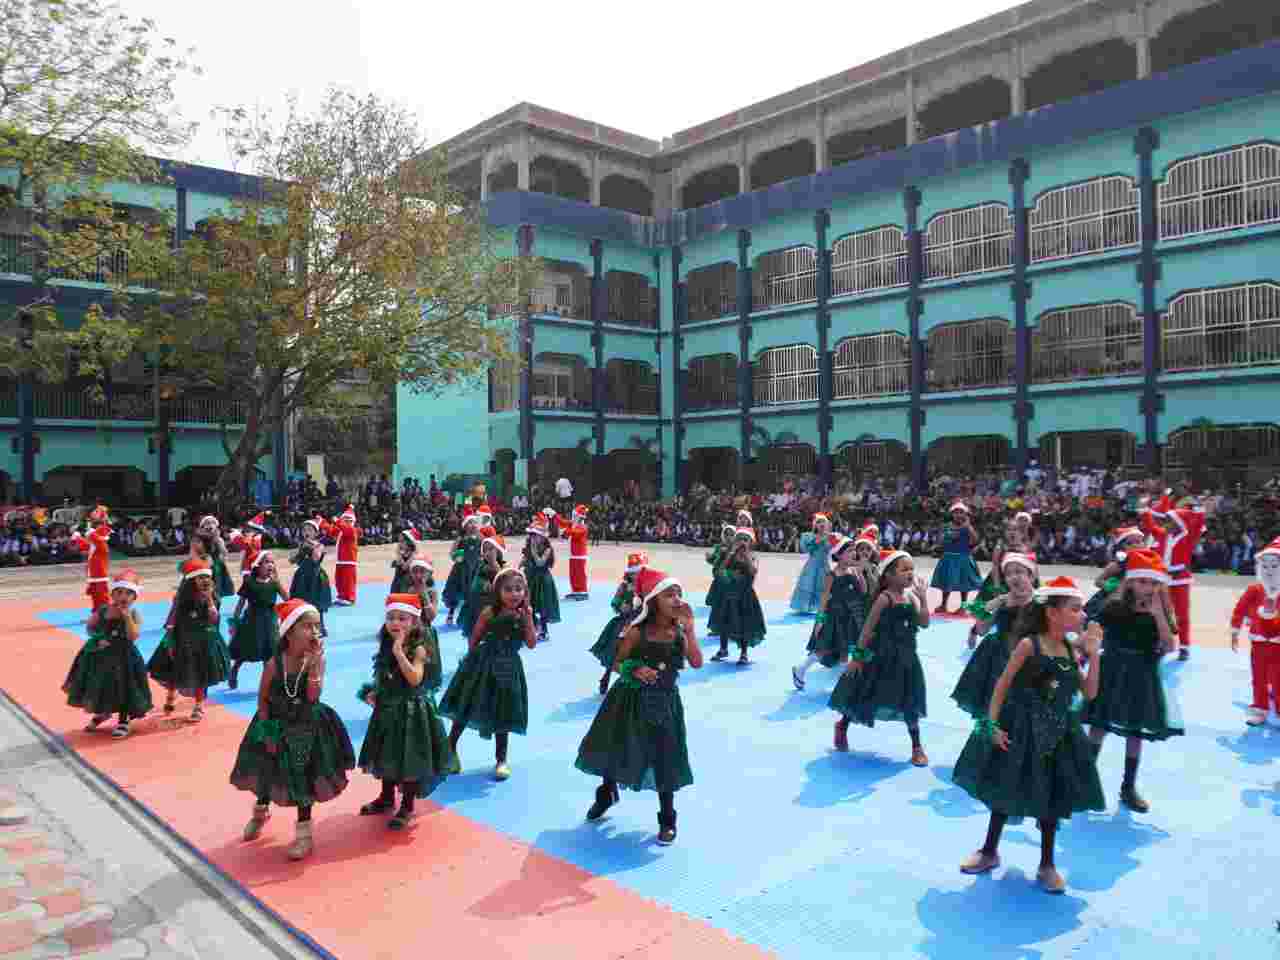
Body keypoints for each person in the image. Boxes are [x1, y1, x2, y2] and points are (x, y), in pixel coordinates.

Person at [952, 576, 1105, 894]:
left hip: (1058, 732)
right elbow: (1001, 686)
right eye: (1075, 608)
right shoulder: (1028, 645)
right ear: (1052, 612)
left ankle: (1047, 864)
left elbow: (1090, 693)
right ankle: (989, 851)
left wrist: (1094, 655)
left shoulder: (1069, 648)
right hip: (1021, 729)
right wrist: (992, 725)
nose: (1082, 615)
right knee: (1006, 787)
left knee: (1051, 797)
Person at [575, 567, 702, 845]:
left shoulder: (679, 633)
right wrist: (635, 669)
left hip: (665, 703)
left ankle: (667, 819)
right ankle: (607, 793)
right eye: (669, 594)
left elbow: (696, 662)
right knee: (616, 748)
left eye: (679, 594)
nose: (677, 599)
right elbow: (617, 663)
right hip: (628, 700)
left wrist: (691, 631)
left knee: (665, 756)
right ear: (653, 600)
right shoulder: (636, 631)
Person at [230, 598, 355, 859]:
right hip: (275, 723)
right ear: (289, 631)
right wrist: (267, 731)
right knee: (267, 771)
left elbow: (312, 696)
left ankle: (304, 835)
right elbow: (263, 699)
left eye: (317, 626)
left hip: (306, 726)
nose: (315, 632)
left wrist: (315, 664)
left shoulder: (316, 659)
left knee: (303, 778)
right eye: (308, 626)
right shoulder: (274, 663)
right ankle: (260, 812)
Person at [1086, 549, 1182, 812]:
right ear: (1130, 582)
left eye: (1152, 582)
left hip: (1142, 675)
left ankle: (1128, 787)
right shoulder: (1115, 606)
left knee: (1135, 732)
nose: (1147, 587)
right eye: (1141, 581)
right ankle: (1085, 778)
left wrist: (1158, 614)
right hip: (1112, 671)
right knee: (1099, 725)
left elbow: (1169, 646)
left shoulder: (1160, 608)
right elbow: (1094, 628)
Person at [357, 594, 454, 829]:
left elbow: (414, 678)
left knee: (410, 759)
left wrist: (400, 653)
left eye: (402, 618)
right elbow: (385, 674)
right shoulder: (386, 646)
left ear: (414, 622)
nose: (395, 623)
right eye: (391, 617)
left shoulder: (418, 648)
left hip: (412, 713)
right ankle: (386, 797)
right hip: (388, 709)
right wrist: (376, 692)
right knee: (387, 755)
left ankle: (407, 806)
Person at [829, 548, 931, 765]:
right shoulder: (884, 598)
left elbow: (924, 623)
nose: (910, 573)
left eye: (911, 569)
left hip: (906, 659)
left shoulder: (911, 597)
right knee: (865, 694)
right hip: (879, 657)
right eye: (904, 569)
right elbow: (867, 630)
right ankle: (843, 725)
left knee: (909, 699)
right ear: (889, 575)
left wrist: (923, 599)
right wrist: (857, 657)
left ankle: (916, 746)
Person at [440, 567, 538, 780]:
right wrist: (474, 665)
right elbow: (474, 640)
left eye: (519, 589)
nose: (514, 594)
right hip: (483, 665)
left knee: (504, 712)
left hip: (509, 669)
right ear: (498, 591)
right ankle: (450, 748)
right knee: (467, 705)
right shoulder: (489, 612)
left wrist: (529, 617)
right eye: (508, 589)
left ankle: (501, 760)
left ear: (525, 591)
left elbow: (531, 643)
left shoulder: (524, 614)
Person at [62, 568, 151, 739]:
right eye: (119, 592)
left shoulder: (134, 613)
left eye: (128, 593)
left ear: (135, 597)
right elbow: (90, 628)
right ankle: (104, 712)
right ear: (112, 594)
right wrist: (98, 638)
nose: (123, 596)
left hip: (125, 657)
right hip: (102, 656)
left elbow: (133, 636)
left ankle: (124, 720)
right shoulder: (103, 610)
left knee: (125, 686)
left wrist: (126, 617)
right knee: (103, 684)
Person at [951, 553, 1037, 717]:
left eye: (1019, 572)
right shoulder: (1002, 601)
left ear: (1031, 576)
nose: (1013, 577)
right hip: (998, 657)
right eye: (1008, 574)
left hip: (1026, 658)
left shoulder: (1041, 602)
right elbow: (983, 629)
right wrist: (983, 615)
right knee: (993, 705)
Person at [147, 558, 232, 723]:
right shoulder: (182, 598)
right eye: (201, 577)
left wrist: (209, 599)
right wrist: (170, 639)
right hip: (182, 639)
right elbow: (172, 618)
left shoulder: (213, 597)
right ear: (192, 580)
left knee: (201, 674)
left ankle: (198, 706)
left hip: (204, 642)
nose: (205, 580)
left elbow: (214, 619)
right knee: (174, 670)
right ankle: (171, 694)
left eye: (207, 577)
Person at [792, 535, 873, 690]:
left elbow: (863, 591)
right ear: (839, 555)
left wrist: (861, 573)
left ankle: (842, 684)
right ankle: (800, 669)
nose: (854, 554)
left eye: (853, 551)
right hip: (833, 618)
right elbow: (824, 599)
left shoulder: (854, 571)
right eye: (849, 551)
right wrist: (820, 621)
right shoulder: (832, 575)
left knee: (845, 651)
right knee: (823, 649)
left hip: (849, 618)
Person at [1140, 491, 1205, 660]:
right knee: (1160, 613)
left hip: (1181, 580)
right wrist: (1145, 508)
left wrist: (1199, 507)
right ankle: (1162, 643)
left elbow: (1199, 524)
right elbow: (1150, 525)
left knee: (1182, 615)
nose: (1166, 522)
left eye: (1170, 520)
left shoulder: (1188, 537)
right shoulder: (1161, 534)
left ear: (1178, 522)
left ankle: (1184, 647)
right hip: (1163, 580)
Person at [1231, 536, 1280, 726]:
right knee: (1259, 677)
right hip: (1258, 642)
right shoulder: (1255, 589)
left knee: (1278, 679)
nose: (1269, 570)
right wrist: (1235, 630)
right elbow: (1240, 608)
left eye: (1274, 566)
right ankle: (1260, 709)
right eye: (1265, 566)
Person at [228, 551, 288, 690]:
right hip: (252, 621)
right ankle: (234, 670)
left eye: (272, 562)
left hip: (270, 622)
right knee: (245, 651)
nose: (270, 565)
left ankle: (267, 683)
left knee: (269, 653)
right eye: (267, 562)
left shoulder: (275, 583)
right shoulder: (249, 582)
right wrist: (234, 622)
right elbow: (240, 604)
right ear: (258, 565)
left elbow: (287, 599)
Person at [590, 552, 647, 696]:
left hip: (641, 621)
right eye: (634, 573)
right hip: (624, 622)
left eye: (639, 572)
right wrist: (621, 606)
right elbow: (615, 601)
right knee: (614, 649)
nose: (636, 575)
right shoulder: (624, 586)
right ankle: (607, 675)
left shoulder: (647, 587)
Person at [712, 527, 766, 665]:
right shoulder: (729, 554)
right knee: (725, 621)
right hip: (729, 593)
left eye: (745, 539)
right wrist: (730, 554)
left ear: (751, 542)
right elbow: (720, 570)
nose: (742, 541)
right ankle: (723, 649)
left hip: (745, 596)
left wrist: (746, 556)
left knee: (744, 624)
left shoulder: (752, 557)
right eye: (739, 538)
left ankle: (744, 653)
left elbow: (753, 571)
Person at [930, 502, 983, 614]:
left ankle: (963, 607)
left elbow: (975, 540)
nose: (958, 515)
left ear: (965, 514)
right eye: (956, 512)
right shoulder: (947, 527)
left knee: (964, 585)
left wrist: (968, 528)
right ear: (952, 514)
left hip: (963, 558)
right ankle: (943, 605)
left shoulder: (968, 527)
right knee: (946, 583)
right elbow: (942, 540)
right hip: (948, 558)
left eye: (961, 512)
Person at [289, 518, 333, 637]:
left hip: (315, 577)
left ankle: (319, 628)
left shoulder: (319, 545)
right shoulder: (302, 545)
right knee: (301, 603)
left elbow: (316, 558)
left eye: (309, 530)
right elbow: (292, 561)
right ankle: (303, 627)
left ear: (316, 533)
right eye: (304, 530)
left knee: (316, 604)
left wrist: (310, 546)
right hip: (302, 576)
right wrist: (299, 551)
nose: (306, 532)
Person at [522, 514, 561, 643]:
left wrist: (533, 551)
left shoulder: (547, 549)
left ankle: (544, 631)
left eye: (536, 535)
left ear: (543, 537)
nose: (533, 538)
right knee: (530, 604)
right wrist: (521, 564)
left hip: (543, 580)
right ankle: (533, 627)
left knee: (543, 606)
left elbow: (540, 563)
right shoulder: (529, 546)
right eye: (532, 535)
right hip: (531, 578)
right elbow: (525, 559)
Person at [442, 512, 483, 627]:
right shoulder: (460, 539)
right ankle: (451, 613)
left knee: (473, 594)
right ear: (465, 526)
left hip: (475, 570)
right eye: (470, 523)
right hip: (460, 570)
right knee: (455, 591)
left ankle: (472, 617)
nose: (473, 525)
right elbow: (452, 553)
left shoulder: (481, 538)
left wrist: (481, 559)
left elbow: (484, 553)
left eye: (474, 523)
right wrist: (456, 557)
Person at [790, 513, 834, 615]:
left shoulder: (831, 537)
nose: (821, 524)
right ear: (815, 525)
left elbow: (835, 551)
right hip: (812, 565)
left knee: (824, 586)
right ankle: (804, 607)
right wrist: (818, 540)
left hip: (825, 565)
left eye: (823, 522)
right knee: (808, 584)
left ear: (827, 524)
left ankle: (822, 607)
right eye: (819, 522)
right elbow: (805, 549)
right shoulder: (808, 536)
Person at [704, 523, 736, 641]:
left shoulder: (737, 548)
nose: (728, 537)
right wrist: (709, 558)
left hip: (731, 582)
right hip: (718, 581)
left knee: (731, 607)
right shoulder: (719, 547)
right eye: (726, 534)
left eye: (731, 534)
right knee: (717, 606)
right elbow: (714, 561)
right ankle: (716, 629)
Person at [553, 505, 591, 600]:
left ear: (578, 516)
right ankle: (575, 591)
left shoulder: (583, 527)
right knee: (573, 574)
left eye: (574, 515)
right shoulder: (573, 524)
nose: (573, 517)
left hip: (579, 556)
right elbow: (562, 522)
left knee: (580, 574)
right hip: (572, 555)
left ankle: (583, 592)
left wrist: (565, 531)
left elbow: (574, 533)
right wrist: (554, 514)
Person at [328, 505, 360, 606]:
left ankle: (350, 598)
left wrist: (337, 521)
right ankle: (341, 596)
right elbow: (331, 531)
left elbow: (345, 529)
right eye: (345, 519)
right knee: (339, 580)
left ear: (353, 522)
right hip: (340, 560)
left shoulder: (352, 530)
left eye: (349, 520)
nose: (347, 522)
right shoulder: (341, 531)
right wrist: (322, 522)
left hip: (349, 560)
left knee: (348, 581)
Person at [389, 526, 419, 594]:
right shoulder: (402, 552)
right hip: (397, 581)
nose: (400, 544)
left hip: (407, 582)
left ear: (408, 542)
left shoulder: (414, 554)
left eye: (402, 541)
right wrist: (398, 556)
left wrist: (398, 554)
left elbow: (404, 567)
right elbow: (397, 564)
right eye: (399, 541)